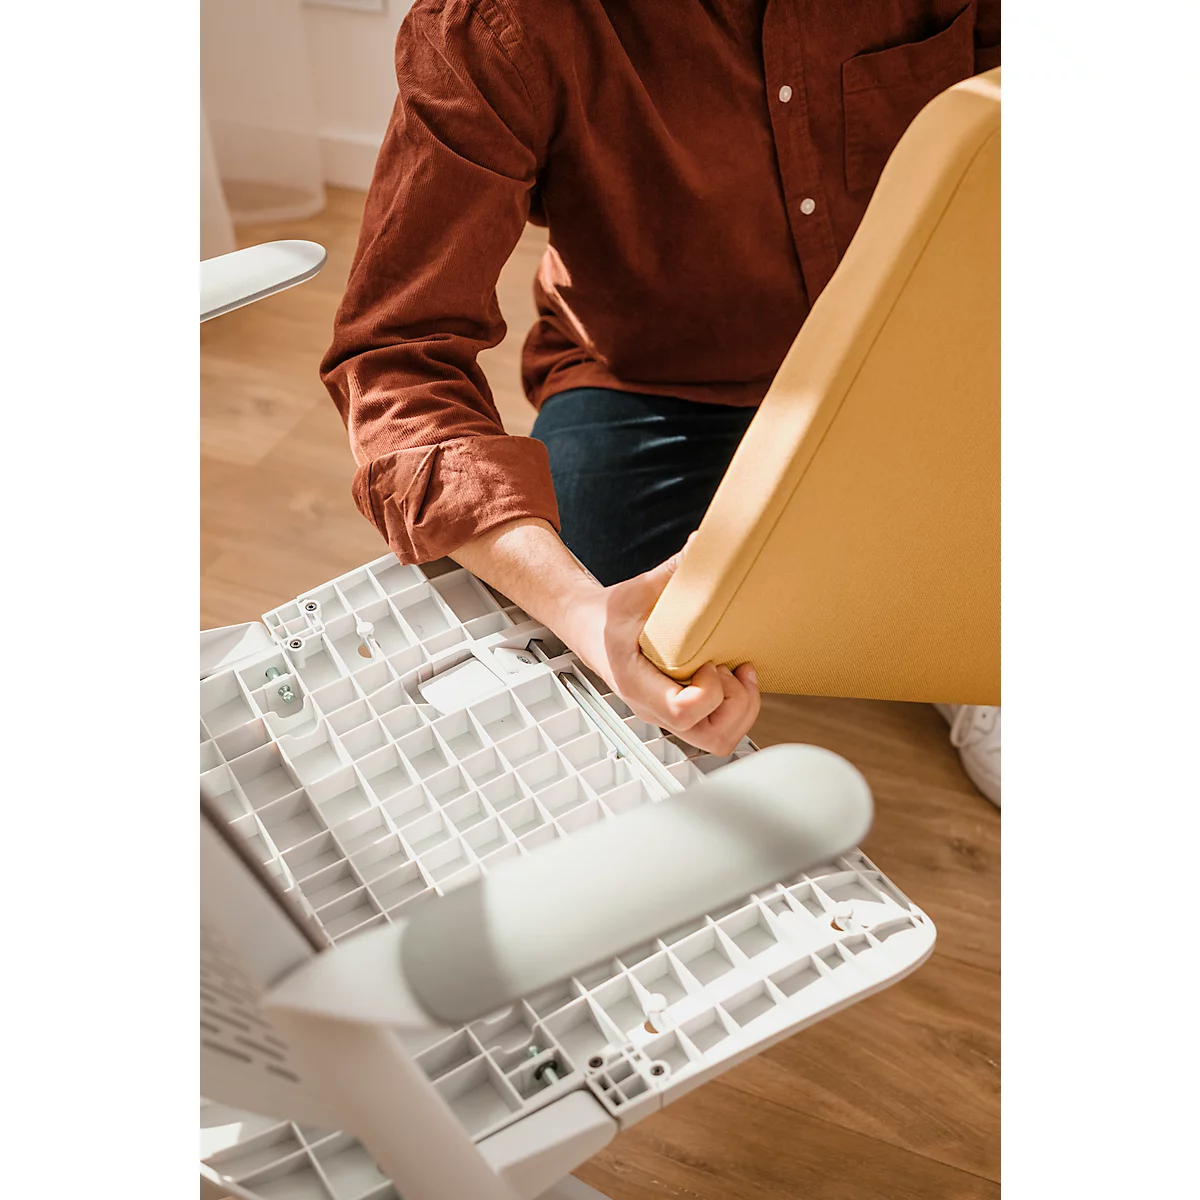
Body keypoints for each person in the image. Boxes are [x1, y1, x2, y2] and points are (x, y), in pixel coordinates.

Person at [321, 0, 1002, 799]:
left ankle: (967, 632)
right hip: (659, 384)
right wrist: (580, 612)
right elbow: (395, 355)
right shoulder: (498, 23)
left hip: (928, 350)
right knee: (563, 671)